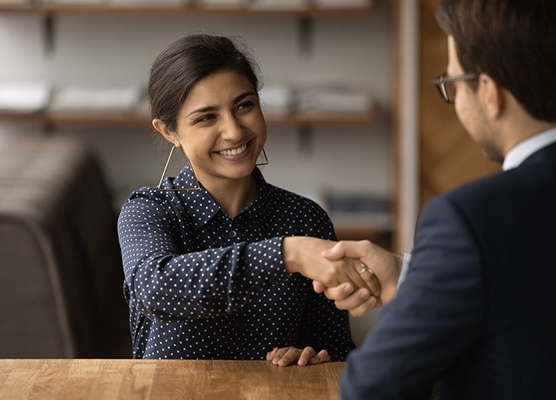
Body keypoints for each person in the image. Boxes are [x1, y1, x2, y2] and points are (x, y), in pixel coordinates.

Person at [313, 0, 556, 398]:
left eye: (452, 85)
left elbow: (372, 386)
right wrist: (414, 276)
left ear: (489, 92)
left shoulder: (470, 218)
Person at [117, 33, 378, 366]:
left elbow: (337, 350)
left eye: (244, 106)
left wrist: (315, 358)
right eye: (206, 117)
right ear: (169, 132)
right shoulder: (148, 210)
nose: (235, 131)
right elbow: (157, 289)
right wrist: (287, 254)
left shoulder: (305, 219)